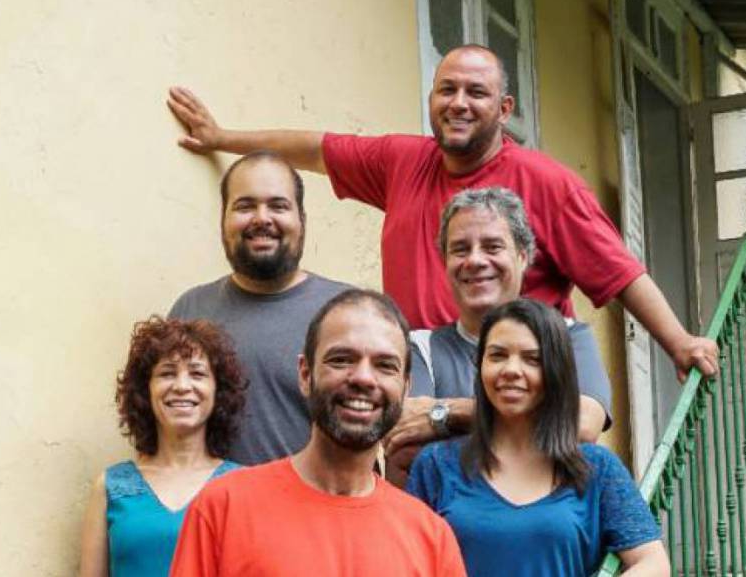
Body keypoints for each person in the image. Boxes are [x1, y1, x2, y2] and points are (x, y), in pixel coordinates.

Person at [166, 44, 718, 384]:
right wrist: (222, 137)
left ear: (504, 110)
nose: (458, 103)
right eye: (446, 89)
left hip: (510, 381)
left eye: (476, 92)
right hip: (415, 382)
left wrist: (678, 341)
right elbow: (315, 148)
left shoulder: (547, 184)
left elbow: (620, 272)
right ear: (431, 100)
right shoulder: (402, 161)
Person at [168, 290, 467, 577]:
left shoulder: (431, 538)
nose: (363, 377)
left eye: (385, 365)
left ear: (405, 387)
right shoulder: (223, 508)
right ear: (305, 374)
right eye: (341, 360)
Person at [406, 299, 668, 577]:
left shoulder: (596, 468)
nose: (511, 370)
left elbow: (653, 564)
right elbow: (406, 561)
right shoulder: (437, 464)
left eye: (532, 359)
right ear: (480, 365)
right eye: (497, 355)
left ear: (556, 371)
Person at [385, 187, 611, 486]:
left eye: (492, 247)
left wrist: (445, 413)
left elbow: (580, 424)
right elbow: (407, 448)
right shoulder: (419, 347)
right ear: (445, 262)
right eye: (460, 249)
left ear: (523, 256)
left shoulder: (569, 338)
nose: (475, 260)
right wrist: (536, 424)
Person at [167, 150, 350, 465]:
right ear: (224, 218)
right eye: (245, 206)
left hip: (318, 509)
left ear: (301, 220)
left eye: (278, 206)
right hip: (215, 511)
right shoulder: (191, 309)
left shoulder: (350, 313)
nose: (262, 218)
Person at [78, 317, 247, 577]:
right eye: (167, 373)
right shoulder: (110, 487)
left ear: (218, 390)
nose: (182, 386)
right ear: (145, 391)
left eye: (197, 373)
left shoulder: (244, 486)